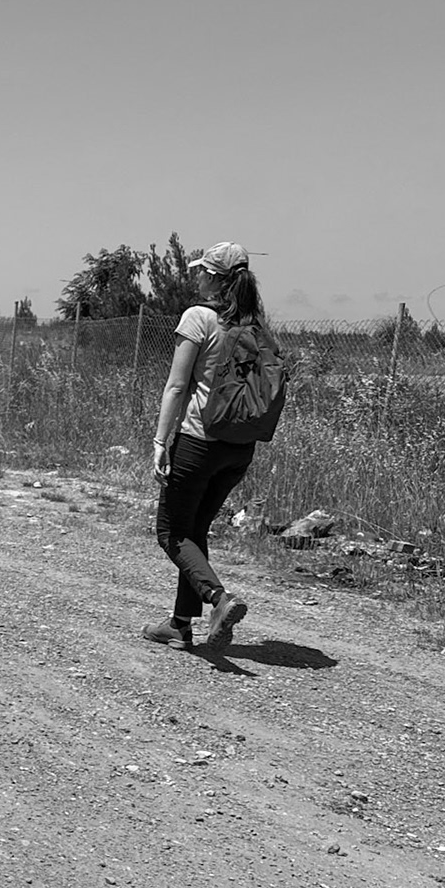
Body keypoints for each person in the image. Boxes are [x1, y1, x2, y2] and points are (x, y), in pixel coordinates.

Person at [145, 241, 263, 650]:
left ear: (215, 278)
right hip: (239, 448)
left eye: (201, 270)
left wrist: (161, 440)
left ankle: (218, 599)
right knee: (194, 531)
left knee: (171, 532)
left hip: (198, 442)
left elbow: (177, 386)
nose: (196, 276)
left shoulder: (199, 317)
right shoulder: (255, 326)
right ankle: (179, 625)